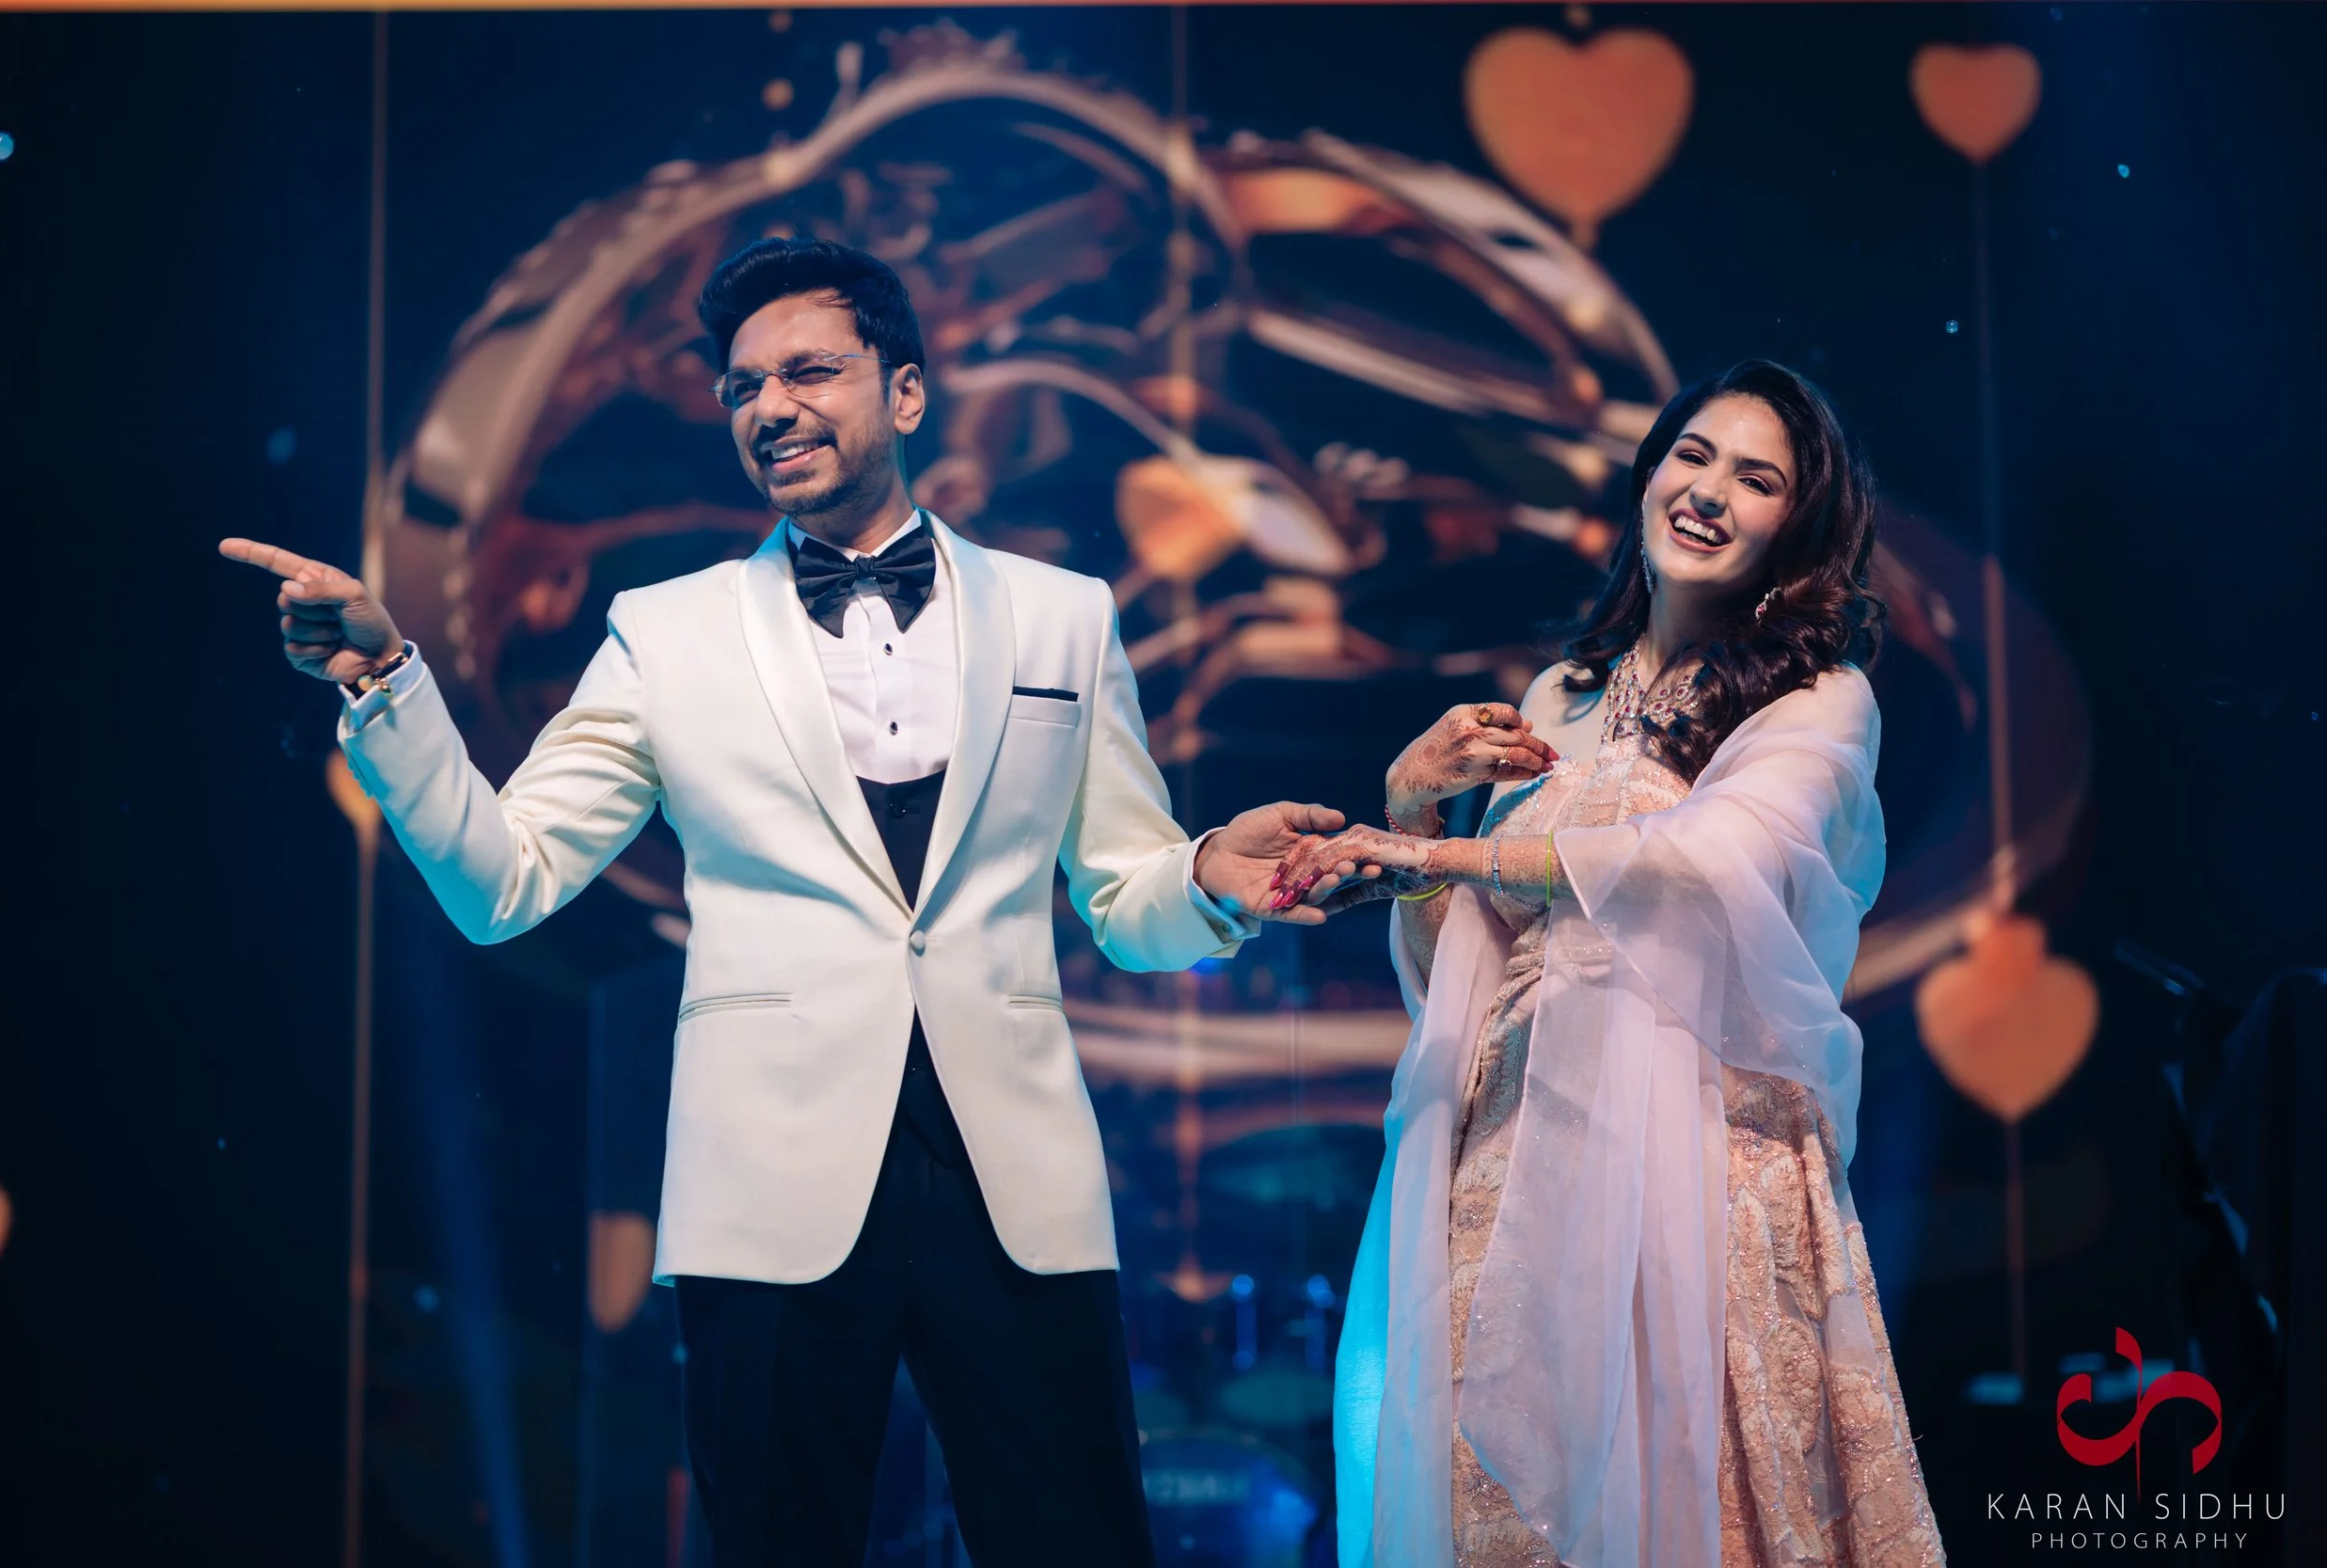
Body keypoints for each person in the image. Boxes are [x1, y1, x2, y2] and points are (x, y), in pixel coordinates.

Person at [224, 237, 1362, 1567]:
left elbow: (1122, 890)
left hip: (1012, 1172)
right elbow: (504, 881)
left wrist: (1212, 868)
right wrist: (388, 682)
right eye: (741, 386)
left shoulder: (1065, 616)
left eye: (809, 369)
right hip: (770, 1174)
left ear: (908, 392)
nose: (769, 405)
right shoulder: (668, 628)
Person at [1274, 362, 1947, 1566]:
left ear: (1796, 526)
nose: (1707, 491)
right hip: (1511, 1130)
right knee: (1495, 1494)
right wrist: (1411, 814)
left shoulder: (1816, 699)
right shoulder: (1558, 695)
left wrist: (1472, 849)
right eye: (1690, 455)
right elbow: (1459, 966)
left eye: (1756, 479)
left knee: (1676, 1484)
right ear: (1647, 477)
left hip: (1693, 1141)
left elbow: (1706, 858)